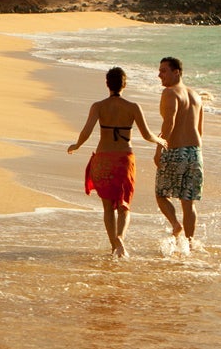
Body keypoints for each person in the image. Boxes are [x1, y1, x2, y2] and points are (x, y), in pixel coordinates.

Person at [68, 66, 160, 256]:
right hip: (124, 160)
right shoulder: (133, 107)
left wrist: (77, 145)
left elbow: (86, 131)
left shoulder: (98, 106)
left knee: (108, 207)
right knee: (124, 206)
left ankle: (113, 246)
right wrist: (159, 140)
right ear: (125, 84)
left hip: (103, 159)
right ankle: (120, 238)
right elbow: (146, 134)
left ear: (107, 84)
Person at [153, 56, 205, 252]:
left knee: (161, 194)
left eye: (163, 71)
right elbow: (199, 129)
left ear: (177, 72)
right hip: (195, 152)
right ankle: (189, 244)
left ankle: (176, 225)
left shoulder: (170, 92)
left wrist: (159, 148)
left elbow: (169, 123)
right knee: (188, 202)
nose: (159, 75)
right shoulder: (196, 95)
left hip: (176, 151)